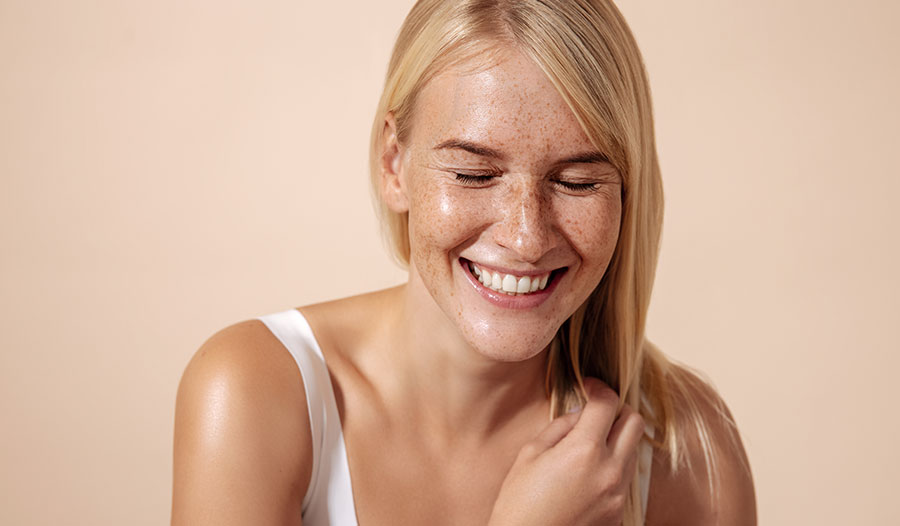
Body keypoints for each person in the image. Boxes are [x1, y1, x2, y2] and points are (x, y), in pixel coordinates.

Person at [171, 0, 756, 524]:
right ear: (393, 164)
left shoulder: (689, 452)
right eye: (475, 174)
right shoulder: (253, 395)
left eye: (577, 182)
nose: (526, 237)